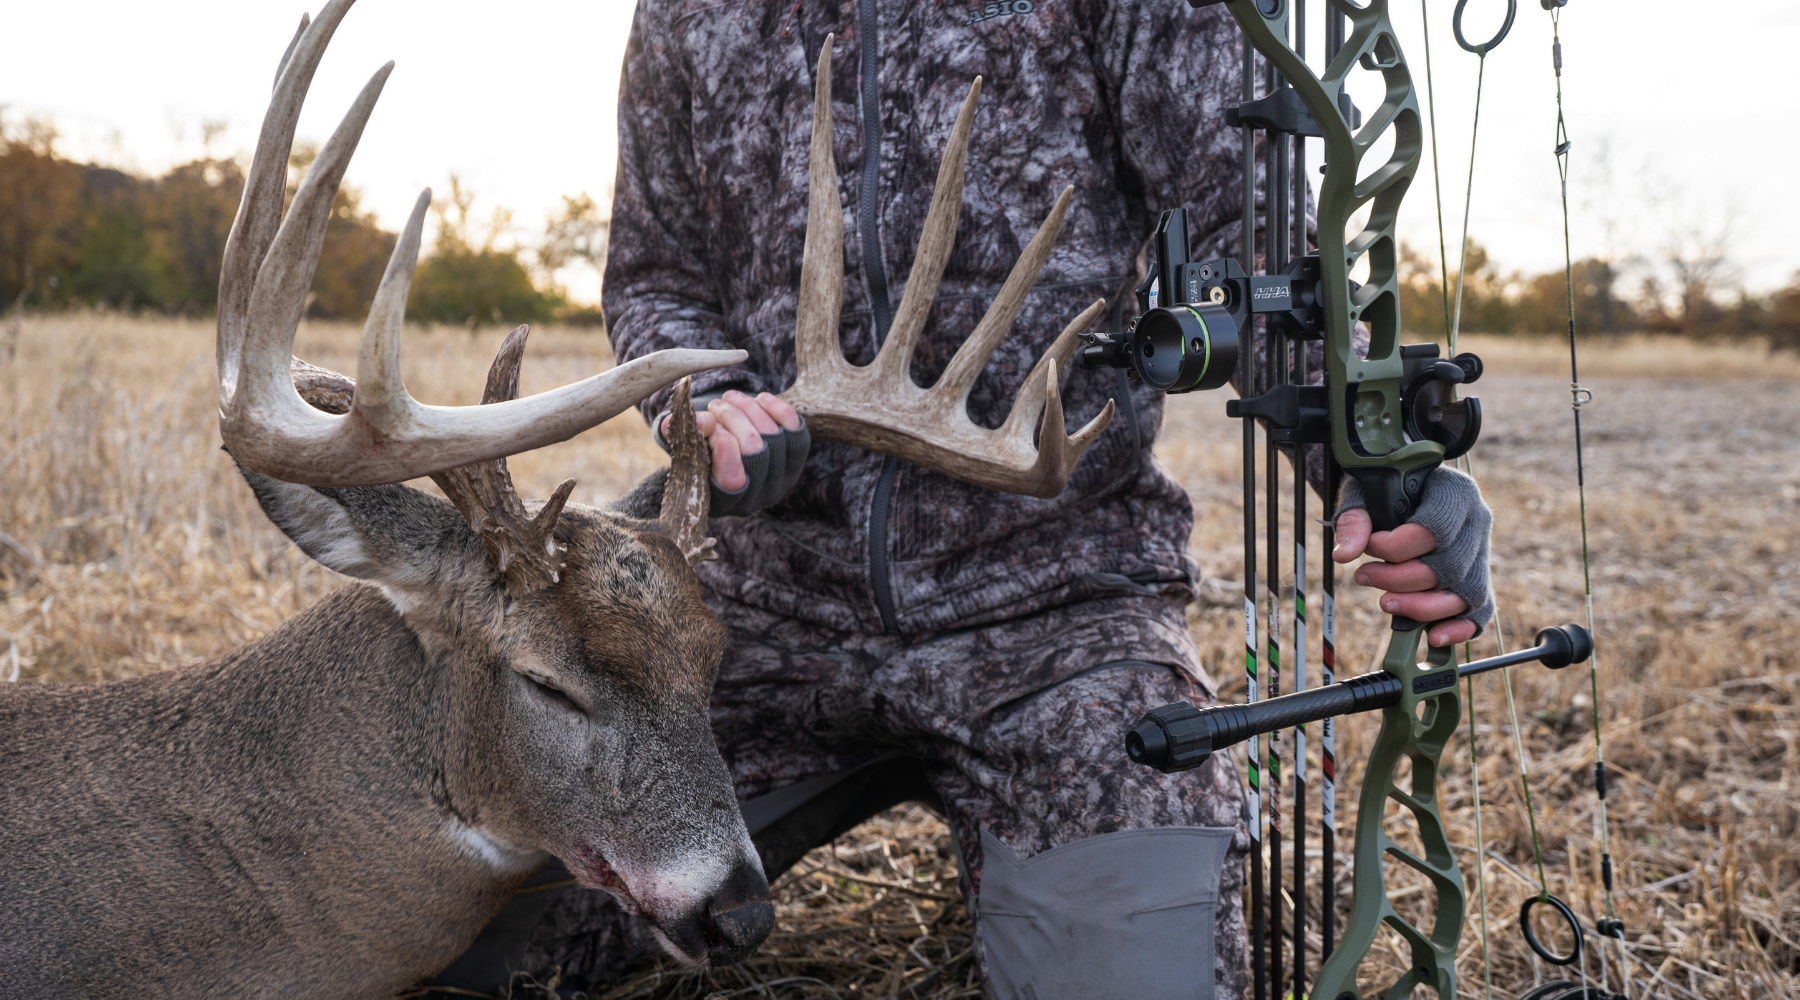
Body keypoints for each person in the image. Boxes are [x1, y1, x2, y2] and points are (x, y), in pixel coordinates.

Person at [434, 2, 1494, 996]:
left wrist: (1375, 459)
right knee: (463, 942)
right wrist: (705, 408)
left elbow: (1256, 243)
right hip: (745, 609)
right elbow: (654, 272)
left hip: (1060, 614)